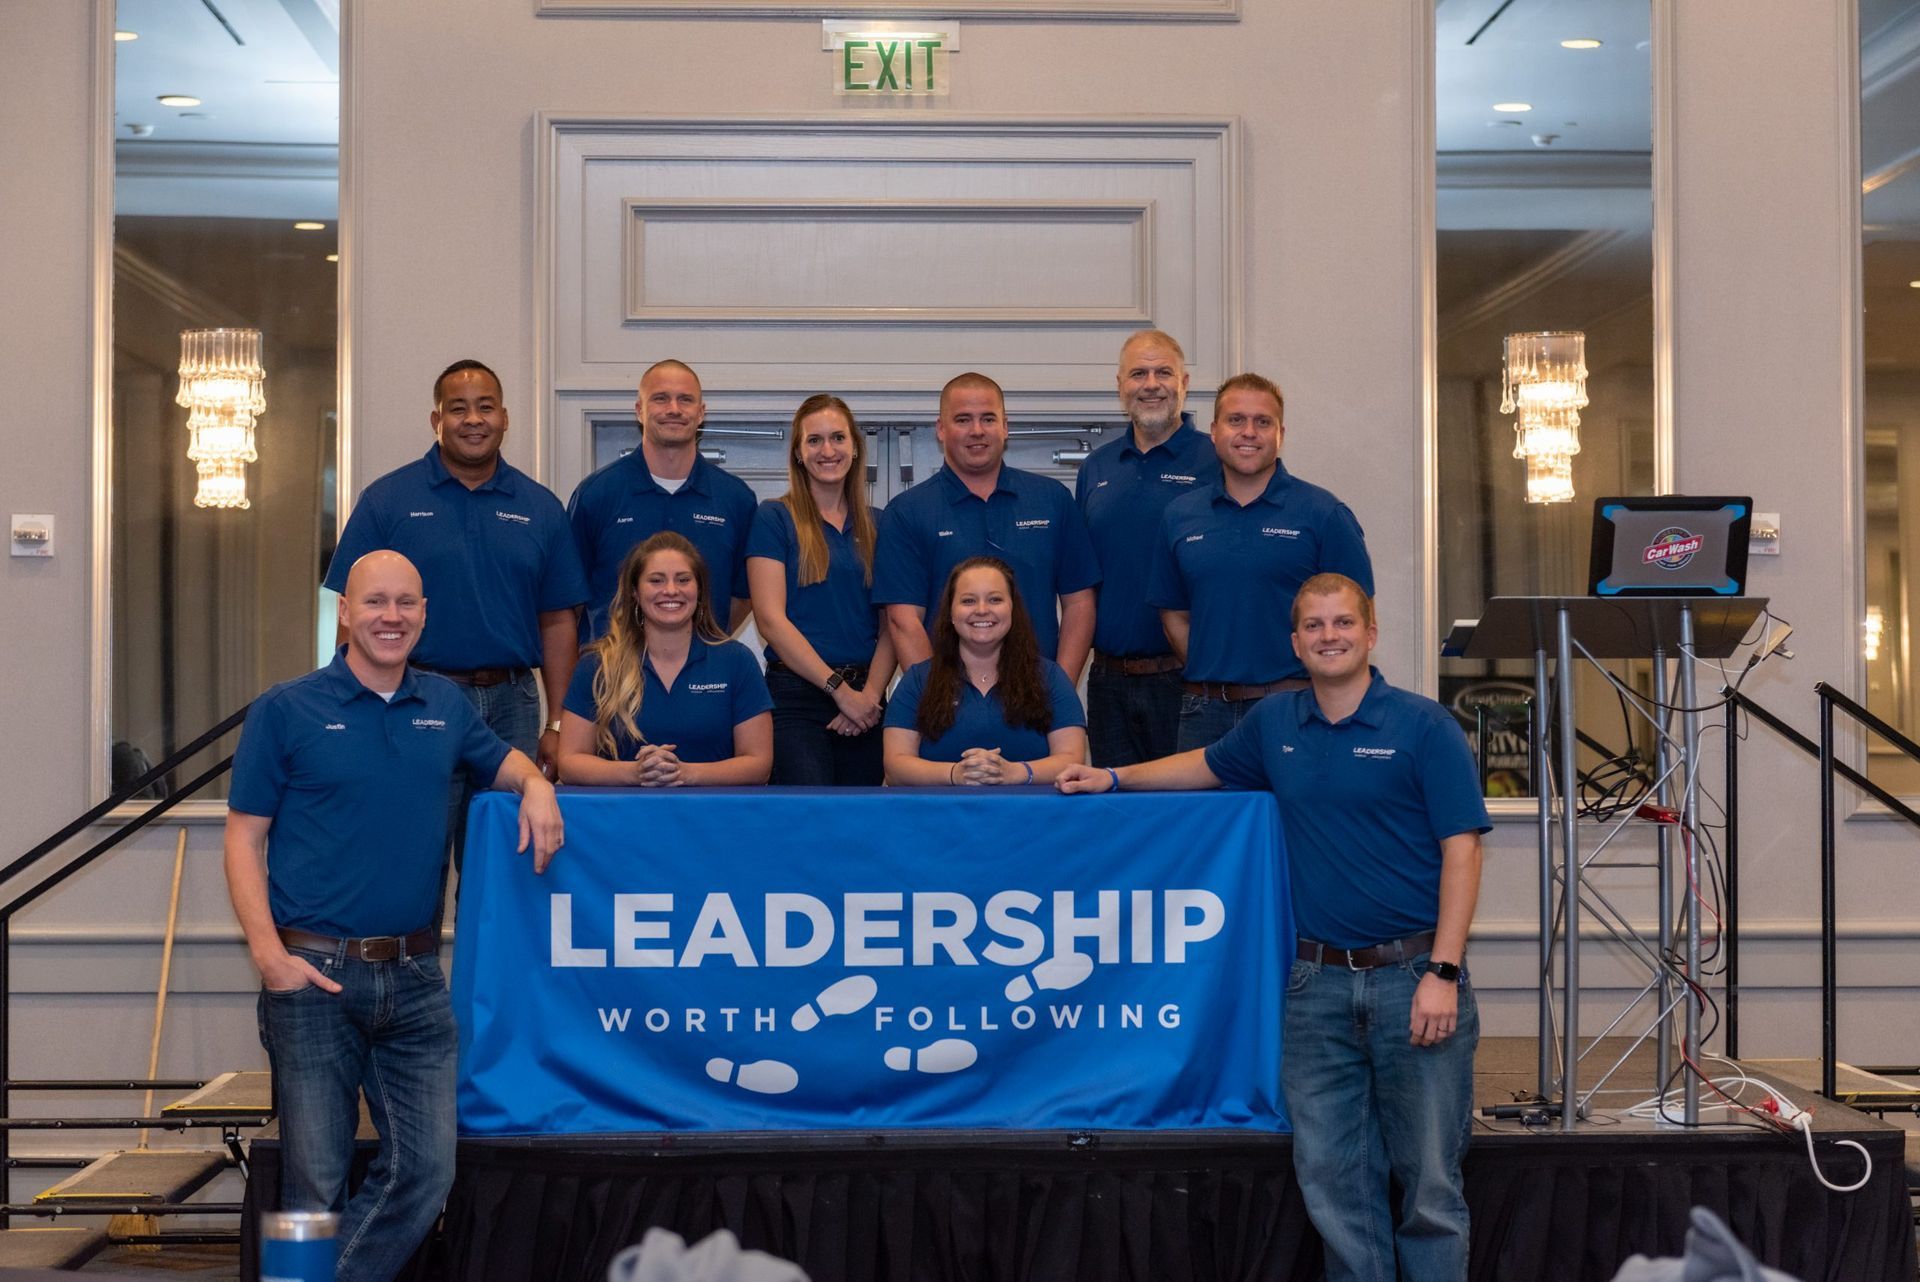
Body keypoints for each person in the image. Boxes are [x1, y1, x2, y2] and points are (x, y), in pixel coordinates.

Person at [1057, 574, 1488, 1282]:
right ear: (1296, 643)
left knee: (1433, 1189)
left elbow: (1462, 850)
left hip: (1415, 982)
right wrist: (1110, 777)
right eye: (1314, 626)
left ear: (1370, 633)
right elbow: (1203, 765)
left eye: (1342, 623)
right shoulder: (1276, 724)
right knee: (1333, 1182)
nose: (1329, 636)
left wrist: (1442, 972)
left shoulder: (1424, 727)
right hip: (1314, 988)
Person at [225, 550, 563, 1282]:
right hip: (311, 976)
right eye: (375, 602)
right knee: (310, 1186)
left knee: (427, 1176)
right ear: (345, 611)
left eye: (406, 603)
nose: (391, 617)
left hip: (414, 981)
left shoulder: (443, 705)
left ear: (423, 616)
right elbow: (243, 838)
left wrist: (536, 784)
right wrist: (269, 956)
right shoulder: (286, 710)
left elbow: (506, 761)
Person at [321, 359, 587, 863]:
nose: (473, 419)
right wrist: (348, 708)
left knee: (504, 858)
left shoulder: (540, 507)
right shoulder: (388, 500)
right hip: (414, 698)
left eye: (485, 407)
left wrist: (557, 727)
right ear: (436, 420)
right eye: (457, 408)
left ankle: (486, 948)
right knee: (412, 851)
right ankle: (413, 948)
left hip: (513, 704)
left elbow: (558, 622)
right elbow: (352, 613)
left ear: (505, 418)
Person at [1147, 372, 1374, 752]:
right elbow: (1175, 616)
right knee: (1208, 816)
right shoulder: (1179, 515)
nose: (1248, 432)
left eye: (1262, 422)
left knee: (1294, 814)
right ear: (1215, 431)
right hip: (1203, 715)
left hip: (1295, 710)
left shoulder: (1323, 514)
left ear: (1280, 434)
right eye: (1236, 420)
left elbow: (1360, 618)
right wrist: (1222, 674)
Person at [871, 372, 1100, 681]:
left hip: (1036, 700)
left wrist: (1058, 695)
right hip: (945, 706)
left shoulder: (1052, 499)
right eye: (963, 420)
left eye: (988, 419)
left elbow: (1080, 603)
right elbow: (903, 620)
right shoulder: (906, 512)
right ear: (941, 429)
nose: (977, 431)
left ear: (1005, 426)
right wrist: (938, 705)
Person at [1075, 329, 1216, 766]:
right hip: (1108, 682)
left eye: (1163, 372)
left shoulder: (1217, 461)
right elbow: (1082, 581)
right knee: (1119, 819)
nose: (1151, 384)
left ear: (1184, 383)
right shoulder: (1096, 468)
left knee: (1185, 820)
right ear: (1120, 386)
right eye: (1138, 373)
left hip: (1186, 682)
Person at [747, 395, 896, 785]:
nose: (827, 450)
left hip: (867, 702)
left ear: (855, 448)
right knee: (807, 827)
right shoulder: (774, 518)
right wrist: (838, 690)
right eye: (814, 440)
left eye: (837, 438)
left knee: (859, 829)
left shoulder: (881, 525)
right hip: (796, 698)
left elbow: (893, 624)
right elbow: (770, 620)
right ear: (798, 452)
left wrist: (867, 697)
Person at [558, 532, 773, 786]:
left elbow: (759, 764)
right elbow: (569, 762)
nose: (671, 590)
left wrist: (685, 773)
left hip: (713, 819)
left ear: (699, 590)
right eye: (656, 580)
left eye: (683, 580)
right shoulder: (597, 665)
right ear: (635, 592)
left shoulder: (737, 662)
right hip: (622, 820)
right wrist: (634, 773)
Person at [567, 360, 759, 642]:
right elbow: (569, 602)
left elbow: (742, 597)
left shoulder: (736, 499)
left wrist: (702, 638)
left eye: (685, 399)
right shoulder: (596, 495)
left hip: (704, 675)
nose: (674, 409)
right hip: (614, 676)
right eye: (660, 399)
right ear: (639, 411)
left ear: (701, 412)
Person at [883, 557, 1087, 786]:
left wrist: (1014, 773)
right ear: (950, 612)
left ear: (1012, 609)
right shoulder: (917, 681)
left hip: (1031, 818)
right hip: (940, 819)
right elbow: (895, 767)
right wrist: (955, 774)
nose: (982, 610)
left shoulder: (1050, 677)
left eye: (995, 599)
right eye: (968, 601)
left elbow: (1072, 759)